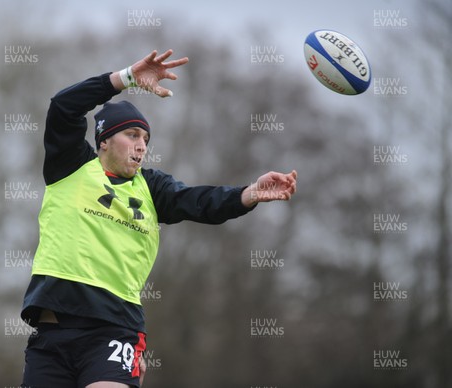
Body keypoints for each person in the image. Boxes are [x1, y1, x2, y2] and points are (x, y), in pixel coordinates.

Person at [20, 49, 297, 388]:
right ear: (104, 140)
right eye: (132, 135)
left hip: (113, 328)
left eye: (146, 139)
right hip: (51, 334)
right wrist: (127, 78)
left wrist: (248, 194)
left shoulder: (151, 187)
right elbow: (64, 105)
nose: (141, 146)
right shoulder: (71, 167)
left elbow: (199, 201)